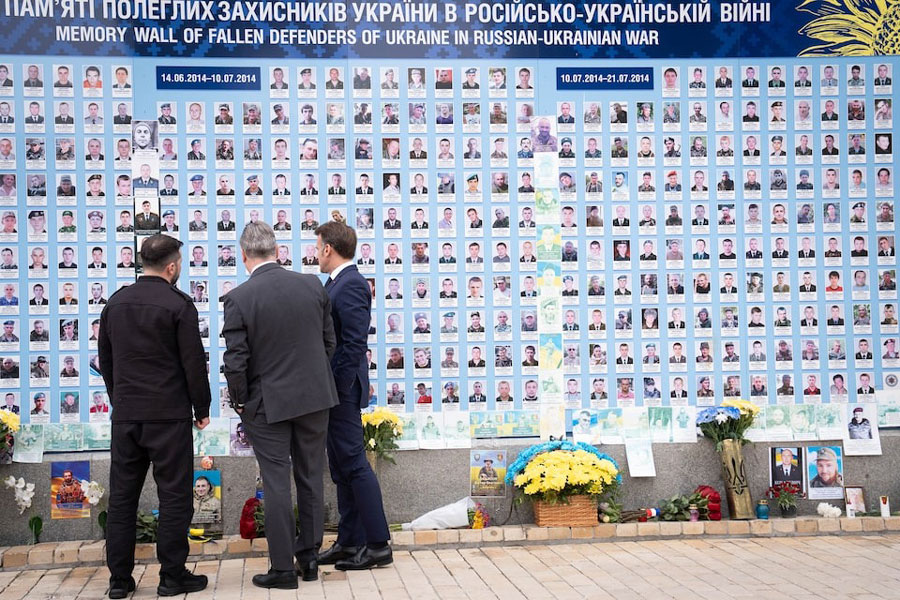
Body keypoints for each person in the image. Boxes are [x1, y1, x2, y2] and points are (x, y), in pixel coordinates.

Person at [222, 222, 337, 589]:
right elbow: (328, 343)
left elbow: (236, 361)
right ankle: (311, 559)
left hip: (267, 404)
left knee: (276, 483)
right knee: (310, 477)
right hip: (315, 398)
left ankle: (283, 570)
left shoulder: (239, 298)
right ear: (276, 250)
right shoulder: (311, 285)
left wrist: (241, 402)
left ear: (244, 256)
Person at [98, 234, 210, 599]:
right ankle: (172, 576)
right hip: (168, 416)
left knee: (123, 498)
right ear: (173, 266)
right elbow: (194, 364)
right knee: (175, 496)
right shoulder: (179, 305)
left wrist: (121, 400)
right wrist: (202, 409)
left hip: (127, 415)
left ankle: (119, 581)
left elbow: (107, 363)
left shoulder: (115, 304)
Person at [314, 221, 392, 571]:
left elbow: (353, 344)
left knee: (355, 466)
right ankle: (349, 542)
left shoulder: (352, 284)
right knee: (342, 467)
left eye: (318, 247)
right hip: (334, 389)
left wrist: (336, 387)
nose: (316, 254)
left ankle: (377, 545)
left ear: (328, 249)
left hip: (341, 390)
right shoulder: (336, 283)